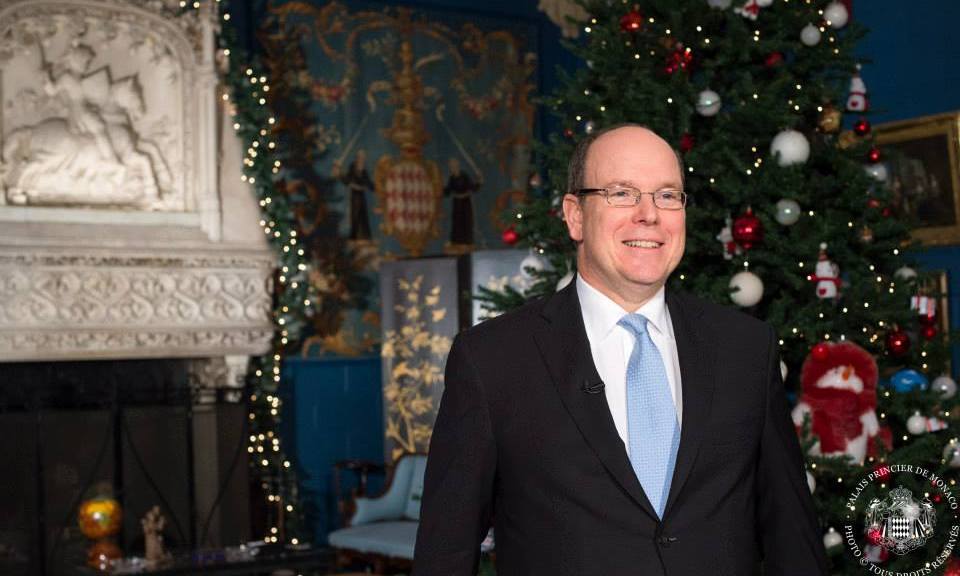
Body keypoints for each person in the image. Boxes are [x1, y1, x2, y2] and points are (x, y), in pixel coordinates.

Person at [412, 124, 827, 575]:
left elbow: (793, 537)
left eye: (667, 195)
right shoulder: (492, 360)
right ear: (575, 216)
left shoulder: (746, 349)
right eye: (622, 193)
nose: (649, 214)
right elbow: (444, 554)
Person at [332, 149, 373, 241]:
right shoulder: (352, 168)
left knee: (363, 215)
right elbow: (347, 180)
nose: (362, 159)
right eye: (361, 157)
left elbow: (368, 183)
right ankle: (354, 237)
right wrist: (338, 173)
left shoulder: (364, 171)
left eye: (363, 158)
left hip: (361, 196)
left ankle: (365, 237)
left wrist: (375, 187)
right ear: (357, 158)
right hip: (355, 196)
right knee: (355, 215)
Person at [443, 157, 480, 246]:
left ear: (457, 166)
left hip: (465, 203)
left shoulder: (464, 176)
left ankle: (467, 241)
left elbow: (472, 187)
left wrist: (479, 182)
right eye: (451, 166)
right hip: (457, 203)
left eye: (453, 166)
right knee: (456, 222)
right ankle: (455, 241)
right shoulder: (452, 178)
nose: (452, 168)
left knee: (466, 221)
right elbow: (448, 191)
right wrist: (442, 187)